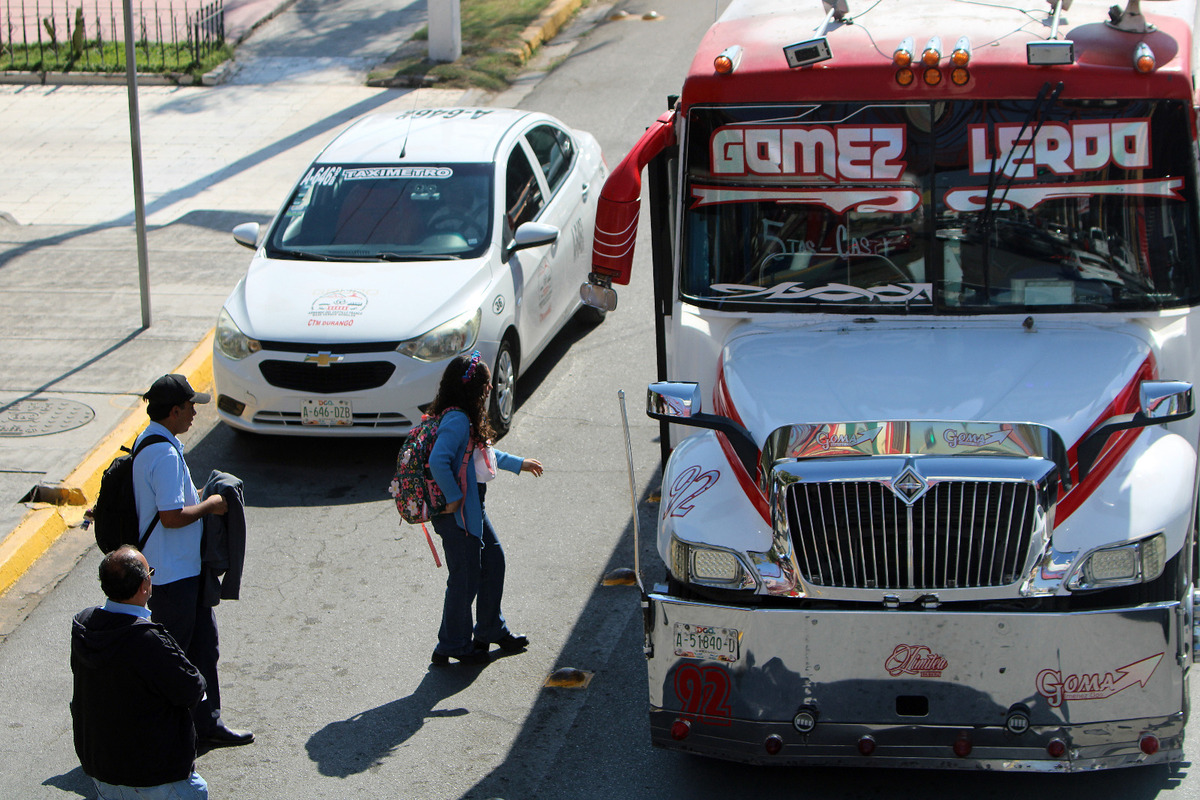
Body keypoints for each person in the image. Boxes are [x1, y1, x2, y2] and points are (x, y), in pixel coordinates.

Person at [133, 373, 253, 747]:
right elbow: (171, 517)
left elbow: (171, 502)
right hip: (172, 577)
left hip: (186, 571)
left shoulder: (152, 441)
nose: (194, 415)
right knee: (178, 658)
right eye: (190, 407)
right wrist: (212, 505)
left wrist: (198, 494)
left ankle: (208, 725)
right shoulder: (164, 454)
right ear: (173, 411)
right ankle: (171, 731)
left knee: (205, 648)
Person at [427, 350, 543, 665]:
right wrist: (453, 497)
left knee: (493, 562)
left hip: (470, 508)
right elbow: (437, 460)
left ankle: (489, 629)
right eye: (487, 384)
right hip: (457, 513)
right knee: (464, 579)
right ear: (474, 390)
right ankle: (452, 645)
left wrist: (520, 464)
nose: (491, 389)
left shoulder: (462, 417)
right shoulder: (457, 420)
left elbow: (484, 455)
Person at [71, 546, 210, 799]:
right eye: (151, 574)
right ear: (144, 587)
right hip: (154, 776)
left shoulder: (84, 623)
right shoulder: (147, 639)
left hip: (103, 771)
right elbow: (193, 688)